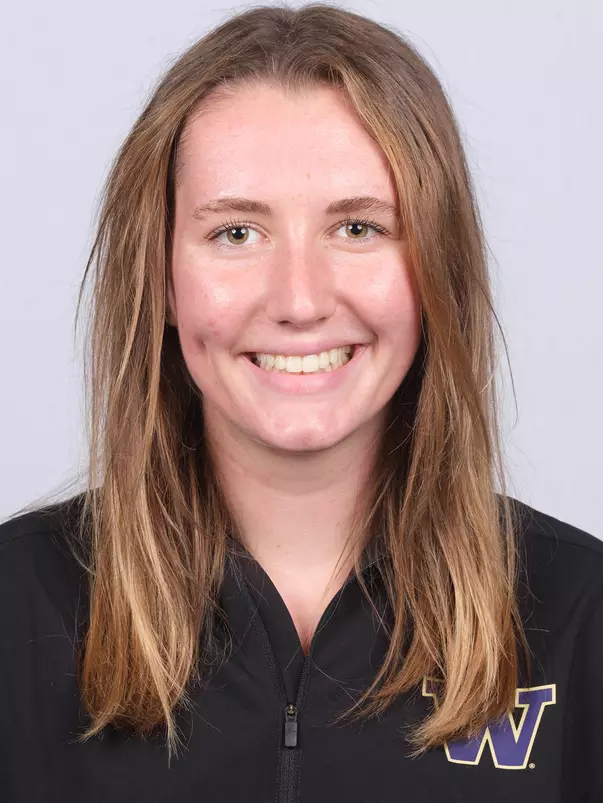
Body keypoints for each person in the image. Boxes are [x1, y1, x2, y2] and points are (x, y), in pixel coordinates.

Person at [1, 3, 601, 802]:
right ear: (162, 280)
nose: (298, 298)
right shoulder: (15, 605)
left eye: (357, 227)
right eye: (236, 234)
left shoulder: (582, 615)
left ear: (436, 272)